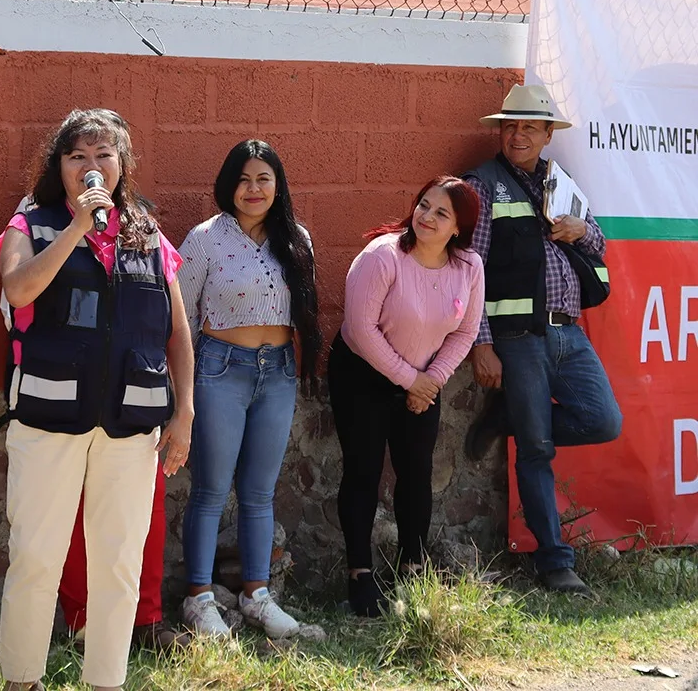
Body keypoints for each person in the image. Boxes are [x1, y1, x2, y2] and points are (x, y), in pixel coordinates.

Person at [0, 108, 194, 691]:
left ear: (123, 163)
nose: (91, 166)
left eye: (104, 154)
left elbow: (176, 331)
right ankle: (21, 680)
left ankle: (106, 680)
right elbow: (19, 287)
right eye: (77, 156)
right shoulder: (29, 225)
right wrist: (80, 227)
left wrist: (183, 413)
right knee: (35, 556)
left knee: (119, 564)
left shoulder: (148, 234)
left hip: (130, 427)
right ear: (59, 167)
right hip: (50, 421)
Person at [464, 84, 622, 598]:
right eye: (510, 126)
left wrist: (581, 229)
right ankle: (555, 563)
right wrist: (482, 344)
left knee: (603, 420)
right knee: (536, 451)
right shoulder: (483, 184)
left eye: (530, 127)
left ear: (548, 134)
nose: (518, 135)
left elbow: (598, 242)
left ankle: (510, 416)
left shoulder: (561, 180)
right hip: (518, 337)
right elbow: (471, 269)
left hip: (568, 333)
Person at [177, 139, 321, 639]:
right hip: (220, 368)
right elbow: (182, 318)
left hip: (278, 371)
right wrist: (186, 387)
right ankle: (198, 597)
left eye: (263, 179)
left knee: (260, 492)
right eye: (243, 179)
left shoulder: (296, 239)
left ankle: (257, 596)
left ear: (277, 185)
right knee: (211, 489)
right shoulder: (203, 239)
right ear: (228, 185)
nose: (253, 189)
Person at [328, 176, 484, 617]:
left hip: (423, 381)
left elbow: (467, 330)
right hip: (362, 374)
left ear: (459, 227)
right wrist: (409, 380)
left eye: (441, 213)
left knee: (416, 472)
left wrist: (430, 380)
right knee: (363, 470)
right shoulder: (383, 257)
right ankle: (360, 573)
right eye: (423, 205)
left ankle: (413, 566)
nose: (427, 217)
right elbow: (361, 329)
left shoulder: (469, 266)